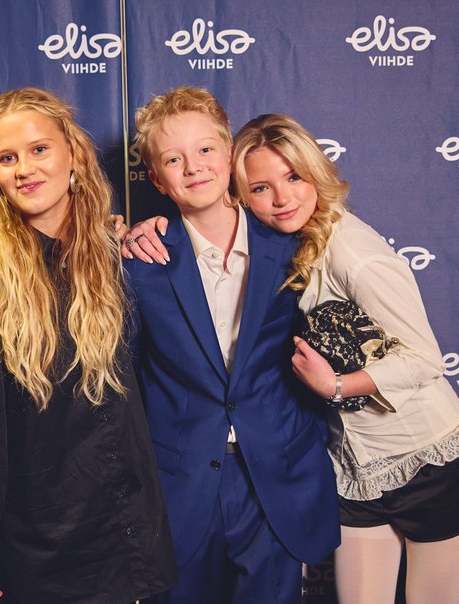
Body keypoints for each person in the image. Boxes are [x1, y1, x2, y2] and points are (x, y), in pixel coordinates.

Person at [128, 113, 459, 604]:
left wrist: (335, 386)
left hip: (429, 459)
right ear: (242, 189)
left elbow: (425, 359)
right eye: (261, 187)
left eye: (294, 178)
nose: (282, 198)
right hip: (354, 467)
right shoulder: (290, 242)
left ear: (316, 173)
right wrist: (129, 229)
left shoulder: (355, 252)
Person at [0, 87, 176, 603]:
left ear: (72, 153)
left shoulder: (115, 254)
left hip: (130, 528)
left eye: (38, 149)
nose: (24, 169)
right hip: (44, 542)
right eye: (6, 158)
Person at [122, 87, 340, 604]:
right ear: (157, 179)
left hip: (275, 477)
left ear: (229, 154)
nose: (193, 167)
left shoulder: (294, 245)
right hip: (181, 485)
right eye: (173, 159)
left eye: (205, 150)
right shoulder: (140, 263)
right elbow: (126, 377)